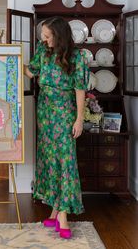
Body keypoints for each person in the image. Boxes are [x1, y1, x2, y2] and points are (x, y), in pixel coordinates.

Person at [24, 16, 90, 239]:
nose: (44, 39)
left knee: (64, 162)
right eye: (43, 35)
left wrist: (79, 119)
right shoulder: (43, 52)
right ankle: (54, 211)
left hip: (64, 114)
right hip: (45, 113)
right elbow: (31, 72)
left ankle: (63, 215)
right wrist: (10, 59)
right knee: (50, 160)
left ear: (59, 36)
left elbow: (80, 89)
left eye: (48, 35)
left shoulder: (77, 57)